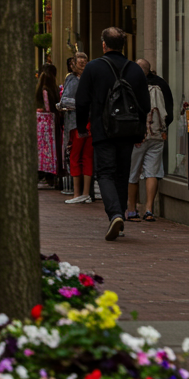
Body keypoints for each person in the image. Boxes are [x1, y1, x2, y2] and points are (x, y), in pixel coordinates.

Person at [75, 27, 150, 242]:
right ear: (123, 46)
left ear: (104, 45)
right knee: (121, 174)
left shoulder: (93, 68)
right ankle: (120, 217)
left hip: (103, 130)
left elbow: (81, 101)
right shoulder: (135, 70)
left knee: (105, 173)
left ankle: (115, 214)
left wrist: (82, 128)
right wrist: (141, 130)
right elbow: (145, 104)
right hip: (127, 131)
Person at [126, 58, 171, 223]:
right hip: (158, 134)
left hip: (138, 135)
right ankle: (149, 209)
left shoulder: (132, 85)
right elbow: (169, 111)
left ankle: (132, 209)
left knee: (133, 173)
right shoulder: (161, 85)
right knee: (152, 172)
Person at [61, 52, 94, 205]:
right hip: (91, 123)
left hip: (76, 123)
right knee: (87, 157)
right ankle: (86, 193)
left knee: (75, 157)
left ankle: (76, 193)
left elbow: (65, 100)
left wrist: (62, 105)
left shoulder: (72, 79)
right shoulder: (93, 78)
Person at [36, 64, 61, 187]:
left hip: (44, 123)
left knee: (43, 149)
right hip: (52, 122)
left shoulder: (43, 89)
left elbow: (46, 107)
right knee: (51, 149)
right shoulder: (53, 89)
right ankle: (50, 174)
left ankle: (42, 173)